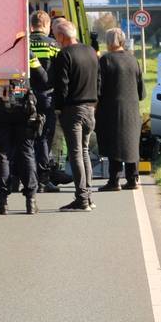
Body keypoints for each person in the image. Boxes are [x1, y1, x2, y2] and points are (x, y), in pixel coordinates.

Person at [51, 19, 100, 211]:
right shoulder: (90, 51)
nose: (56, 40)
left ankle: (81, 199)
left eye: (56, 37)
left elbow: (61, 86)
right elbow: (99, 80)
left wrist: (58, 108)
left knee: (76, 153)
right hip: (90, 108)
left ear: (62, 36)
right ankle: (88, 197)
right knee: (84, 151)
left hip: (73, 110)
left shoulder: (64, 55)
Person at [0, 77, 41, 215]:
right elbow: (42, 79)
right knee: (26, 153)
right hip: (24, 107)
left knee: (2, 155)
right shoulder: (26, 61)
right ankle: (31, 201)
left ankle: (1, 202)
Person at [96, 28, 144, 192]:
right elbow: (141, 91)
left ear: (108, 42)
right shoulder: (133, 60)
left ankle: (114, 180)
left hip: (111, 108)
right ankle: (133, 179)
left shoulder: (106, 60)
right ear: (123, 41)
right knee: (131, 142)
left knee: (114, 142)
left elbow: (98, 87)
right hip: (132, 108)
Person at [28, 10, 62, 192]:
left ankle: (21, 177)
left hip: (24, 97)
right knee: (44, 138)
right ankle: (43, 179)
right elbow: (60, 72)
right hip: (46, 97)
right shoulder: (53, 45)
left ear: (31, 25)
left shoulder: (23, 44)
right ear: (47, 25)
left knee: (24, 138)